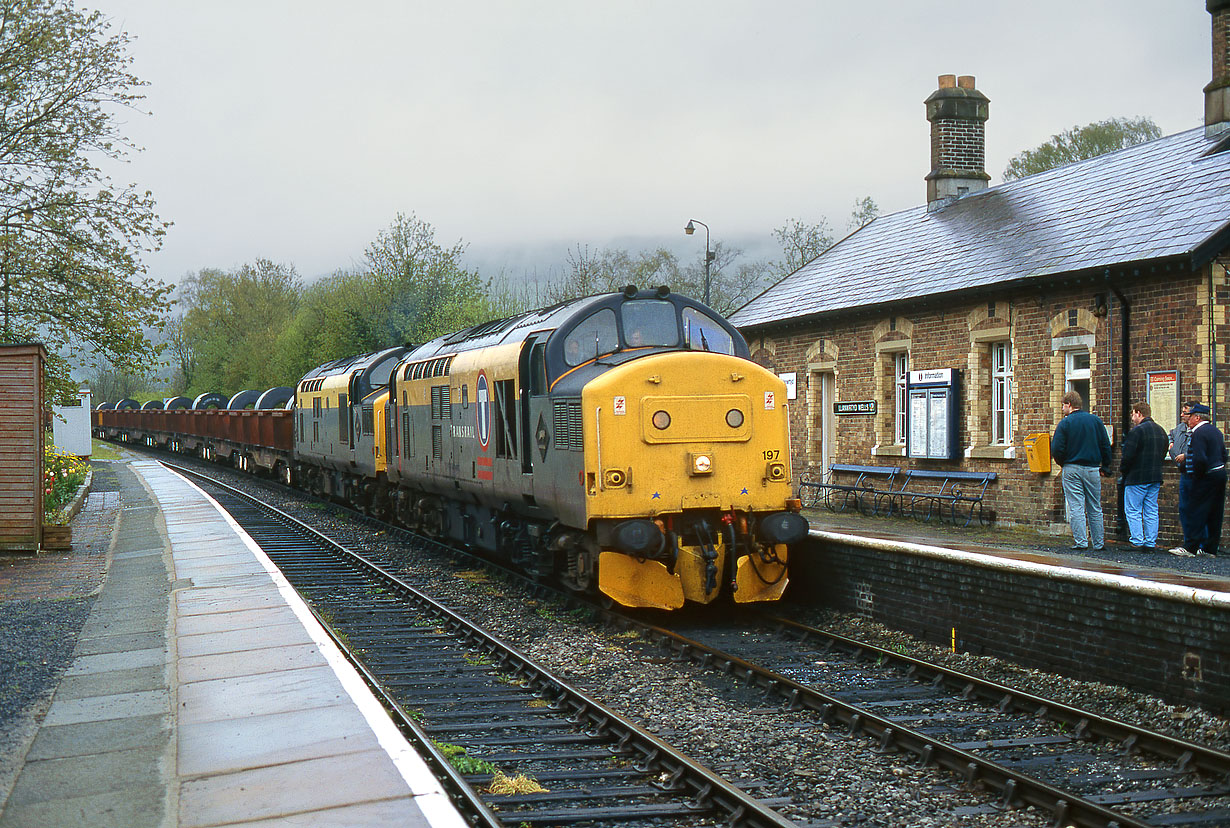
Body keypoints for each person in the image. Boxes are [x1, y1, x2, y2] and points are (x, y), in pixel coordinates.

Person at [1050, 390, 1113, 551]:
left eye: (1063, 405)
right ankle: (1098, 543)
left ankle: (1081, 542)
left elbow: (1056, 448)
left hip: (1071, 468)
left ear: (1069, 404)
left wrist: (1063, 463)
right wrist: (1105, 466)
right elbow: (1106, 445)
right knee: (1095, 506)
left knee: (1076, 506)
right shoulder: (1095, 421)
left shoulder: (1065, 423)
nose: (1062, 409)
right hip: (1092, 468)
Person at [1171, 402, 1227, 557]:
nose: (1188, 419)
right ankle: (1210, 549)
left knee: (1196, 511)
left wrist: (1197, 476)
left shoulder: (1199, 433)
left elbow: (1200, 459)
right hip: (1219, 474)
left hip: (1205, 476)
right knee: (1215, 513)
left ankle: (1190, 547)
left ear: (1197, 417)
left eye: (1191, 416)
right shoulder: (1216, 431)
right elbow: (1224, 455)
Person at [1119, 401, 1167, 550]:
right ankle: (1150, 542)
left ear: (1139, 413)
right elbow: (1163, 453)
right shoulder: (1161, 431)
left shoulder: (1137, 432)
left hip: (1137, 477)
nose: (1132, 418)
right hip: (1155, 476)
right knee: (1151, 509)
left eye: (1133, 414)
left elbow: (1128, 456)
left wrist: (1123, 470)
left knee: (1133, 509)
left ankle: (1137, 541)